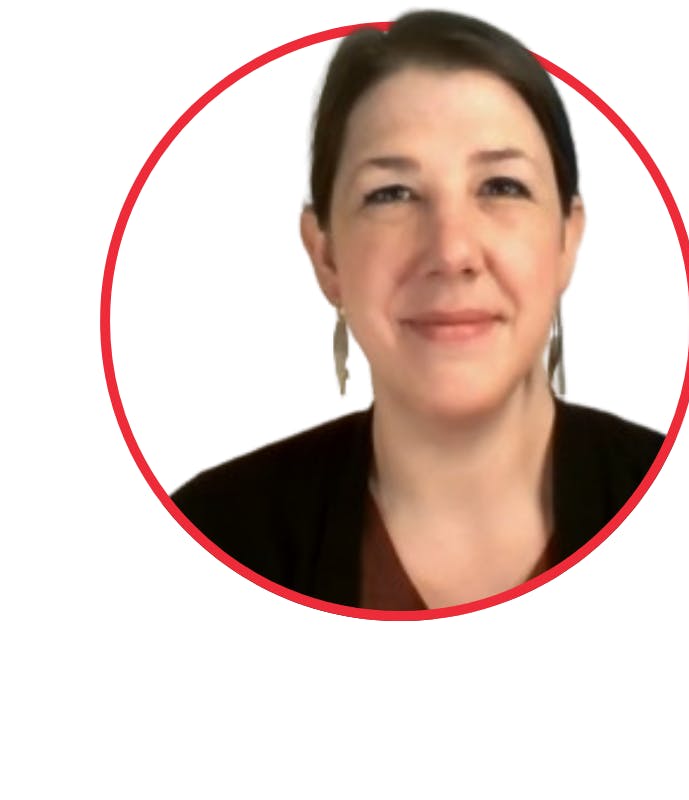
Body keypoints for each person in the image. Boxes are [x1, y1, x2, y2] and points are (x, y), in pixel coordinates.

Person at [171, 9, 664, 611]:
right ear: (327, 256)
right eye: (392, 194)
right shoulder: (207, 534)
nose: (452, 252)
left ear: (566, 240)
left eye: (502, 186)